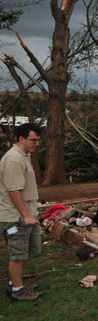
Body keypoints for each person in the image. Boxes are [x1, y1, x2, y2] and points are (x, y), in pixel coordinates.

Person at [1, 123, 44, 301]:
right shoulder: (14, 159)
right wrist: (25, 215)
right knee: (17, 254)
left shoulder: (23, 155)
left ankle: (15, 283)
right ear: (21, 139)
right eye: (33, 140)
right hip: (15, 217)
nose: (37, 144)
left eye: (38, 140)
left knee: (23, 252)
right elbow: (13, 190)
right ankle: (17, 291)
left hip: (25, 214)